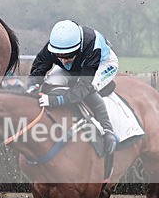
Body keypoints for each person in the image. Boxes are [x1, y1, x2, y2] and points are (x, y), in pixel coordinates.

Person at [26, 19, 119, 154]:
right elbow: (38, 70)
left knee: (89, 90)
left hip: (102, 64)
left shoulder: (92, 45)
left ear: (78, 47)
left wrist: (55, 101)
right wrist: (32, 88)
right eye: (59, 56)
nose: (63, 60)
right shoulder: (53, 47)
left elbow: (83, 88)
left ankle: (107, 130)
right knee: (49, 83)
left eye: (68, 56)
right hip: (77, 65)